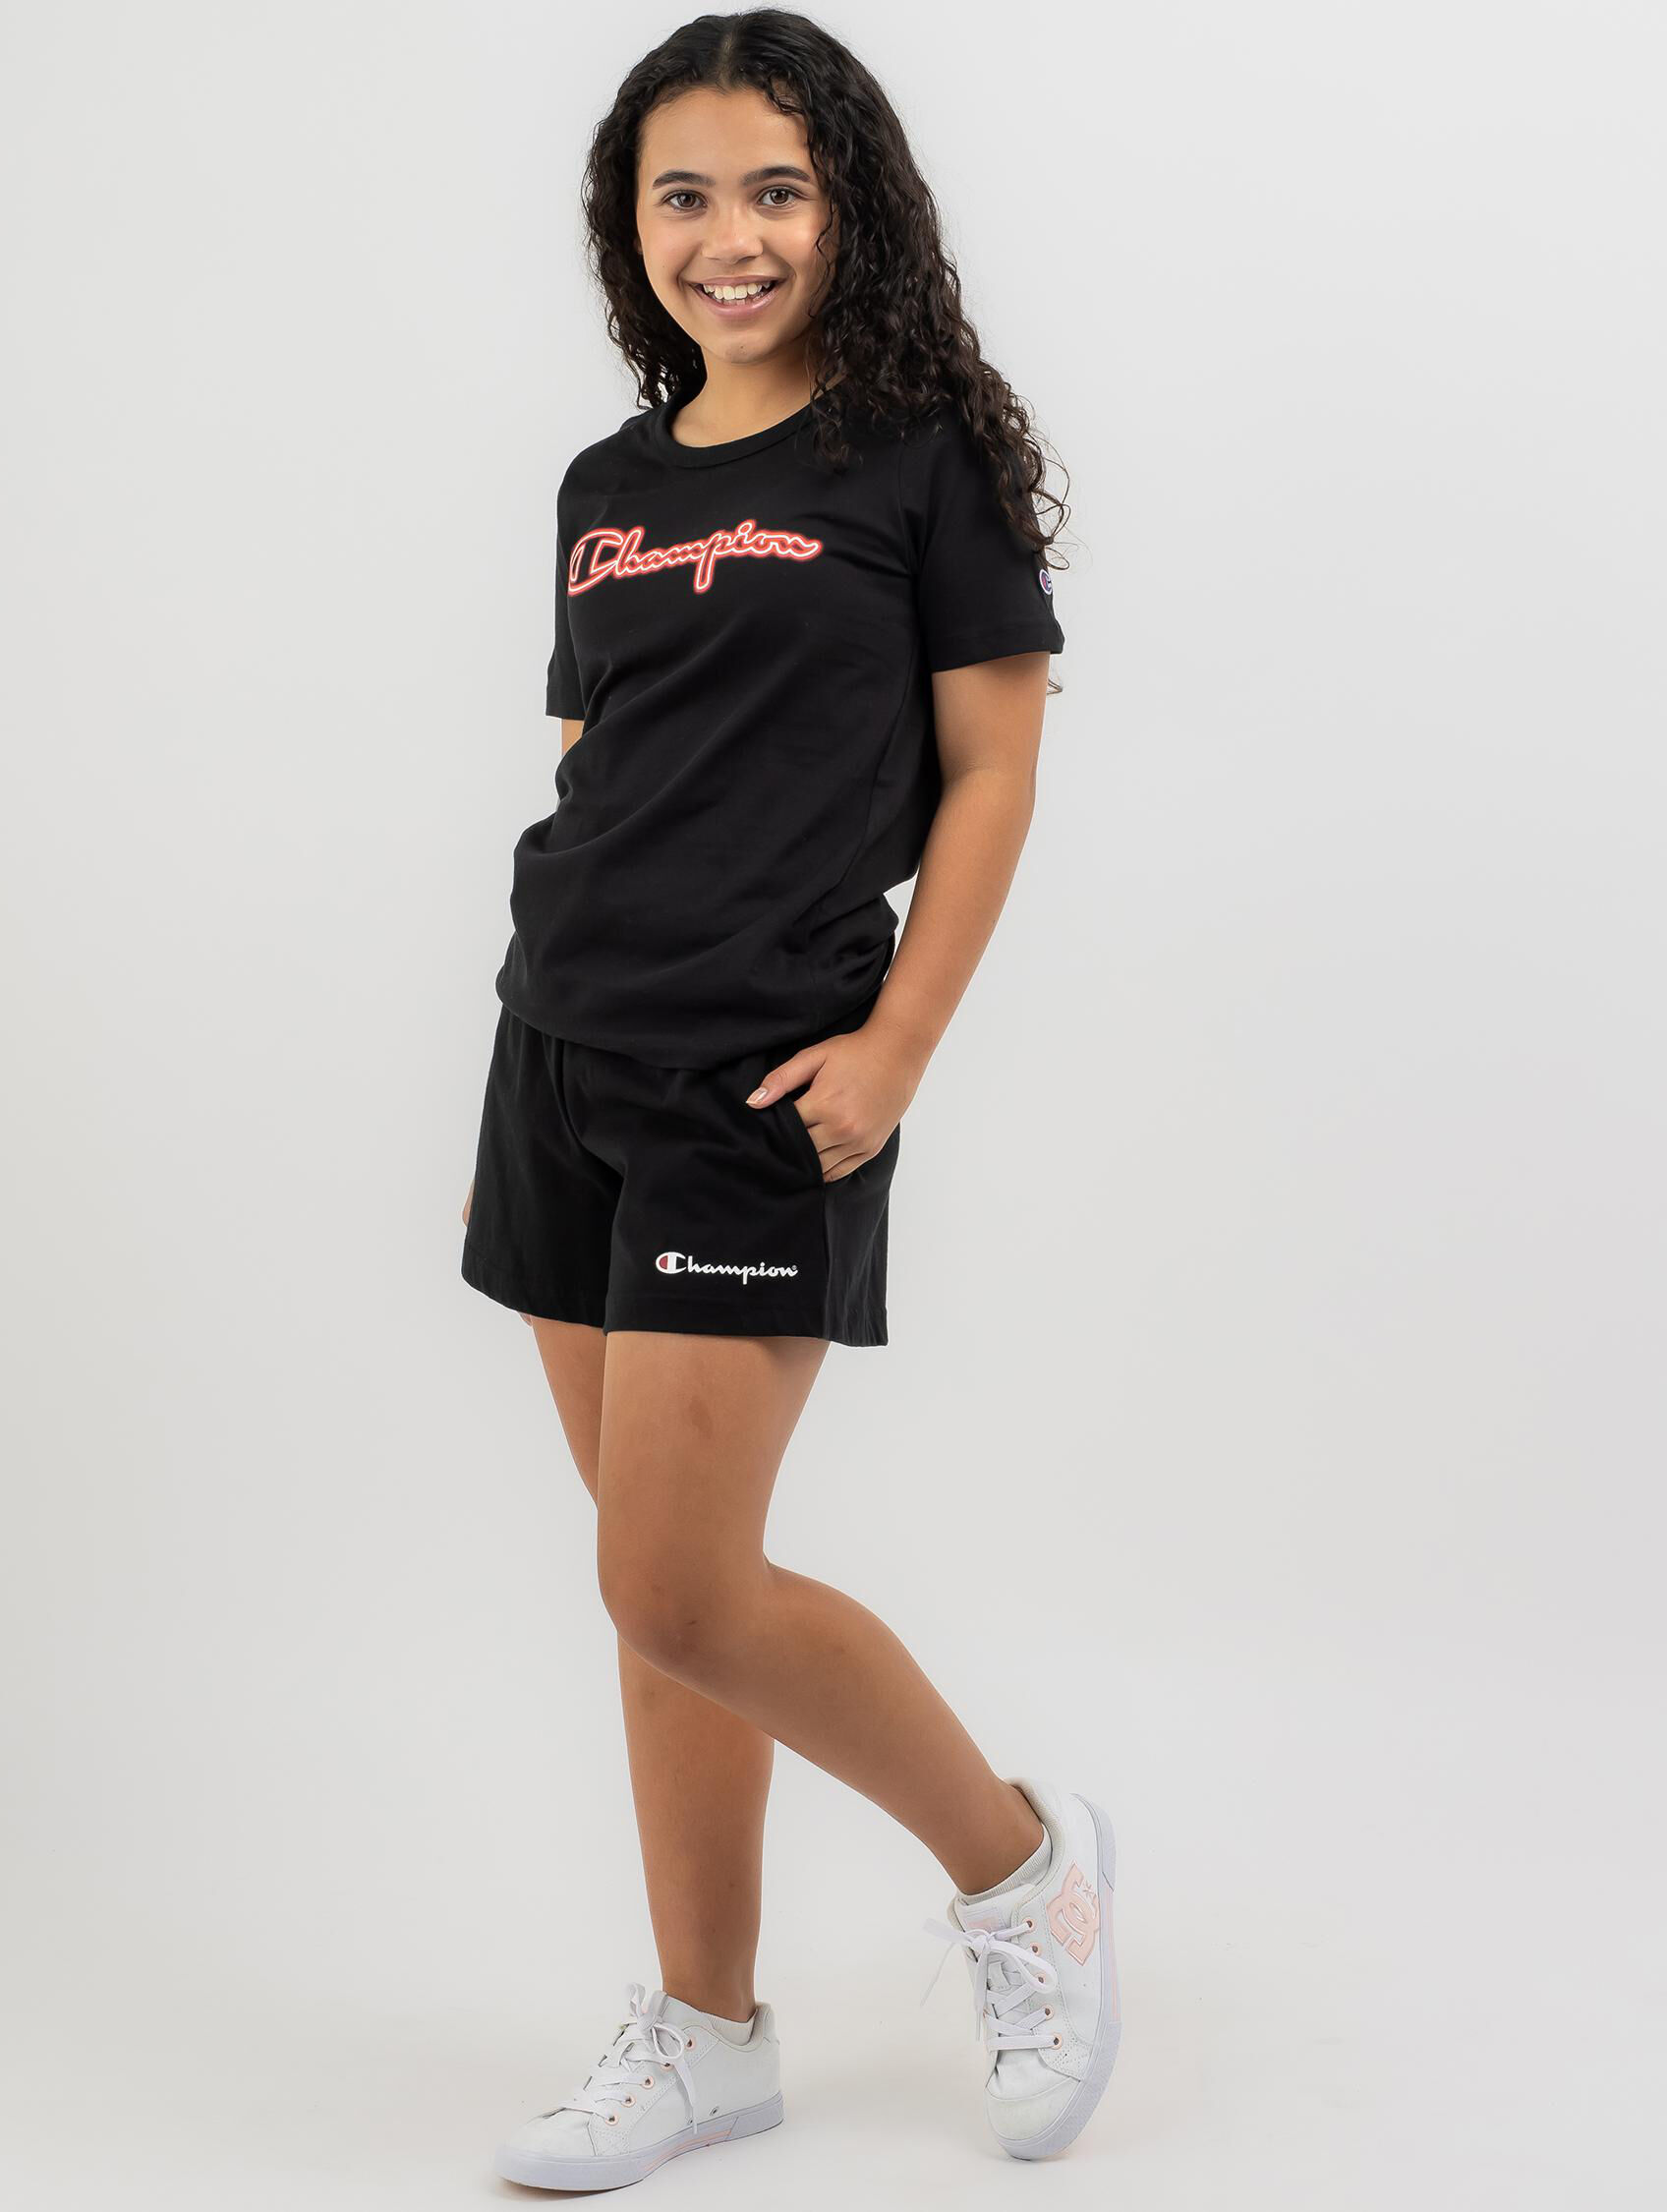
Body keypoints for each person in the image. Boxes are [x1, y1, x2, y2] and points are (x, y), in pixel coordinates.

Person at [459, 10, 1120, 2185]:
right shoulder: (610, 485)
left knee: (677, 1585)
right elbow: (604, 765)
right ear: (628, 225)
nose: (728, 237)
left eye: (775, 189)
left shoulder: (914, 459)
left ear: (851, 209)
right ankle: (709, 2030)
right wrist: (542, 1011)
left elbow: (994, 768)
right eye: (684, 195)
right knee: (654, 1584)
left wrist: (899, 1043)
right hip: (560, 1056)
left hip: (761, 1079)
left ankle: (1023, 1872)